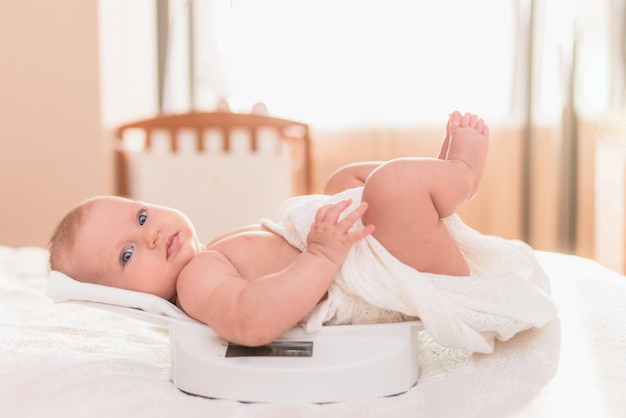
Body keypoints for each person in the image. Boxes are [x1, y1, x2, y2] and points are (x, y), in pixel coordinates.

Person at [48, 111, 558, 354]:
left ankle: (433, 194)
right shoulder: (195, 284)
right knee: (392, 185)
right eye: (127, 256)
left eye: (140, 219)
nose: (153, 236)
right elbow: (251, 321)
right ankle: (460, 176)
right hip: (374, 274)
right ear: (118, 299)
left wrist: (324, 230)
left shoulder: (207, 256)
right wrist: (320, 255)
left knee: (344, 183)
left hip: (366, 251)